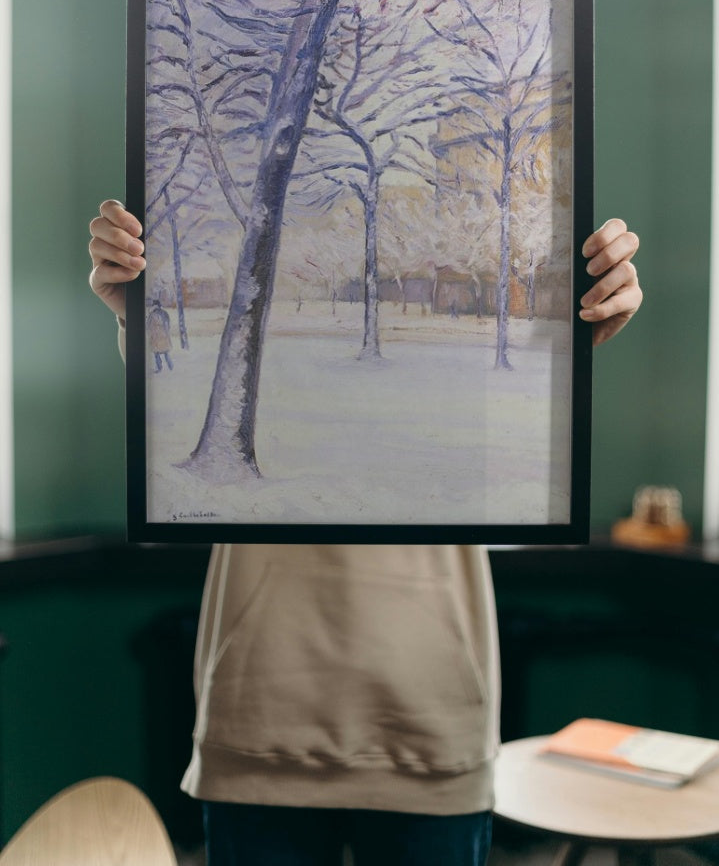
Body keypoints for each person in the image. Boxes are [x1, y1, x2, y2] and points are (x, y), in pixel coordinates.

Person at [89, 202, 642, 866]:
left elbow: (504, 457)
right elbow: (176, 423)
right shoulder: (240, 248)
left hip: (432, 714)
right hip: (262, 712)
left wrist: (567, 348)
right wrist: (136, 303)